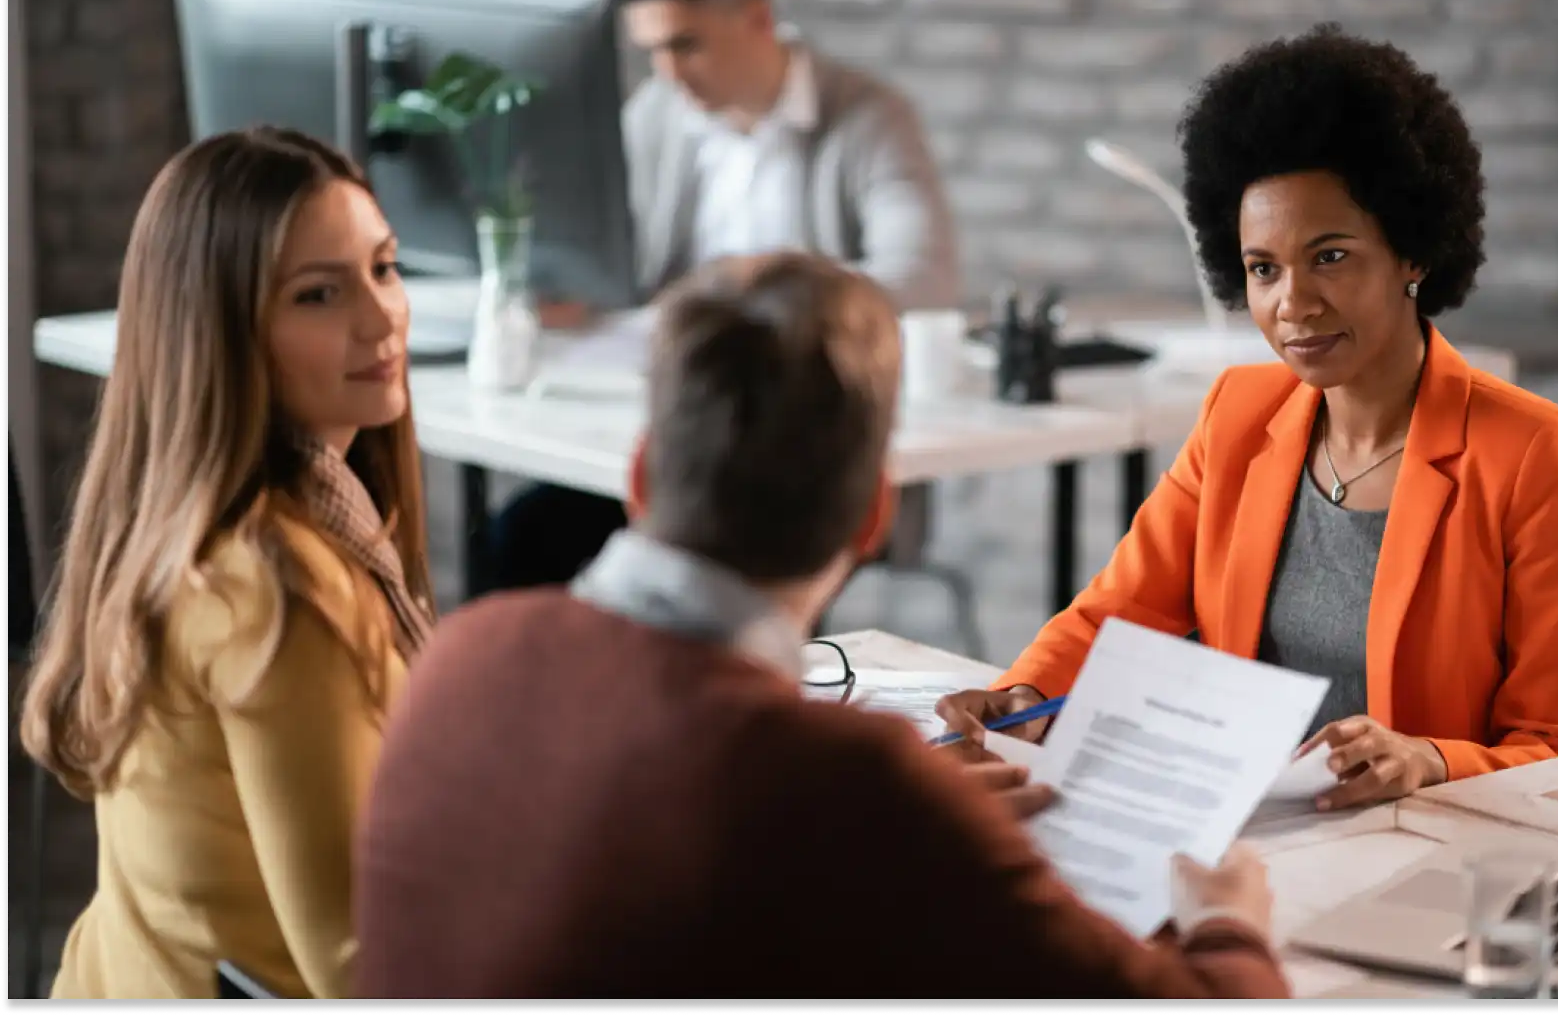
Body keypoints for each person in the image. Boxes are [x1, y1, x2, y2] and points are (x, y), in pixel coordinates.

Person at [354, 254, 1288, 1000]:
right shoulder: (846, 780)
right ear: (873, 517)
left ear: (639, 474)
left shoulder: (462, 654)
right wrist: (1227, 921)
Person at [939, 25, 1558, 808]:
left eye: (1330, 256)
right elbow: (1118, 614)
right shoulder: (1239, 412)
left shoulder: (1534, 453)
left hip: (1424, 849)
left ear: (1414, 254)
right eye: (1264, 269)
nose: (1292, 304)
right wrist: (1024, 695)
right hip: (1239, 826)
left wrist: (1429, 761)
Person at [20, 127, 434, 999]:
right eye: (319, 295)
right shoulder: (276, 587)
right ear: (225, 330)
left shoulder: (187, 528)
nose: (380, 316)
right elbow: (359, 964)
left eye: (385, 269)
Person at [485, 0, 960, 592]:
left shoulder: (869, 118)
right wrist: (577, 286)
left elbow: (922, 277)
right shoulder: (658, 114)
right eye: (652, 50)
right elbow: (620, 267)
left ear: (758, 19)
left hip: (804, 452)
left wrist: (761, 303)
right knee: (519, 540)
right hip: (682, 435)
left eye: (686, 44)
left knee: (734, 575)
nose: (668, 72)